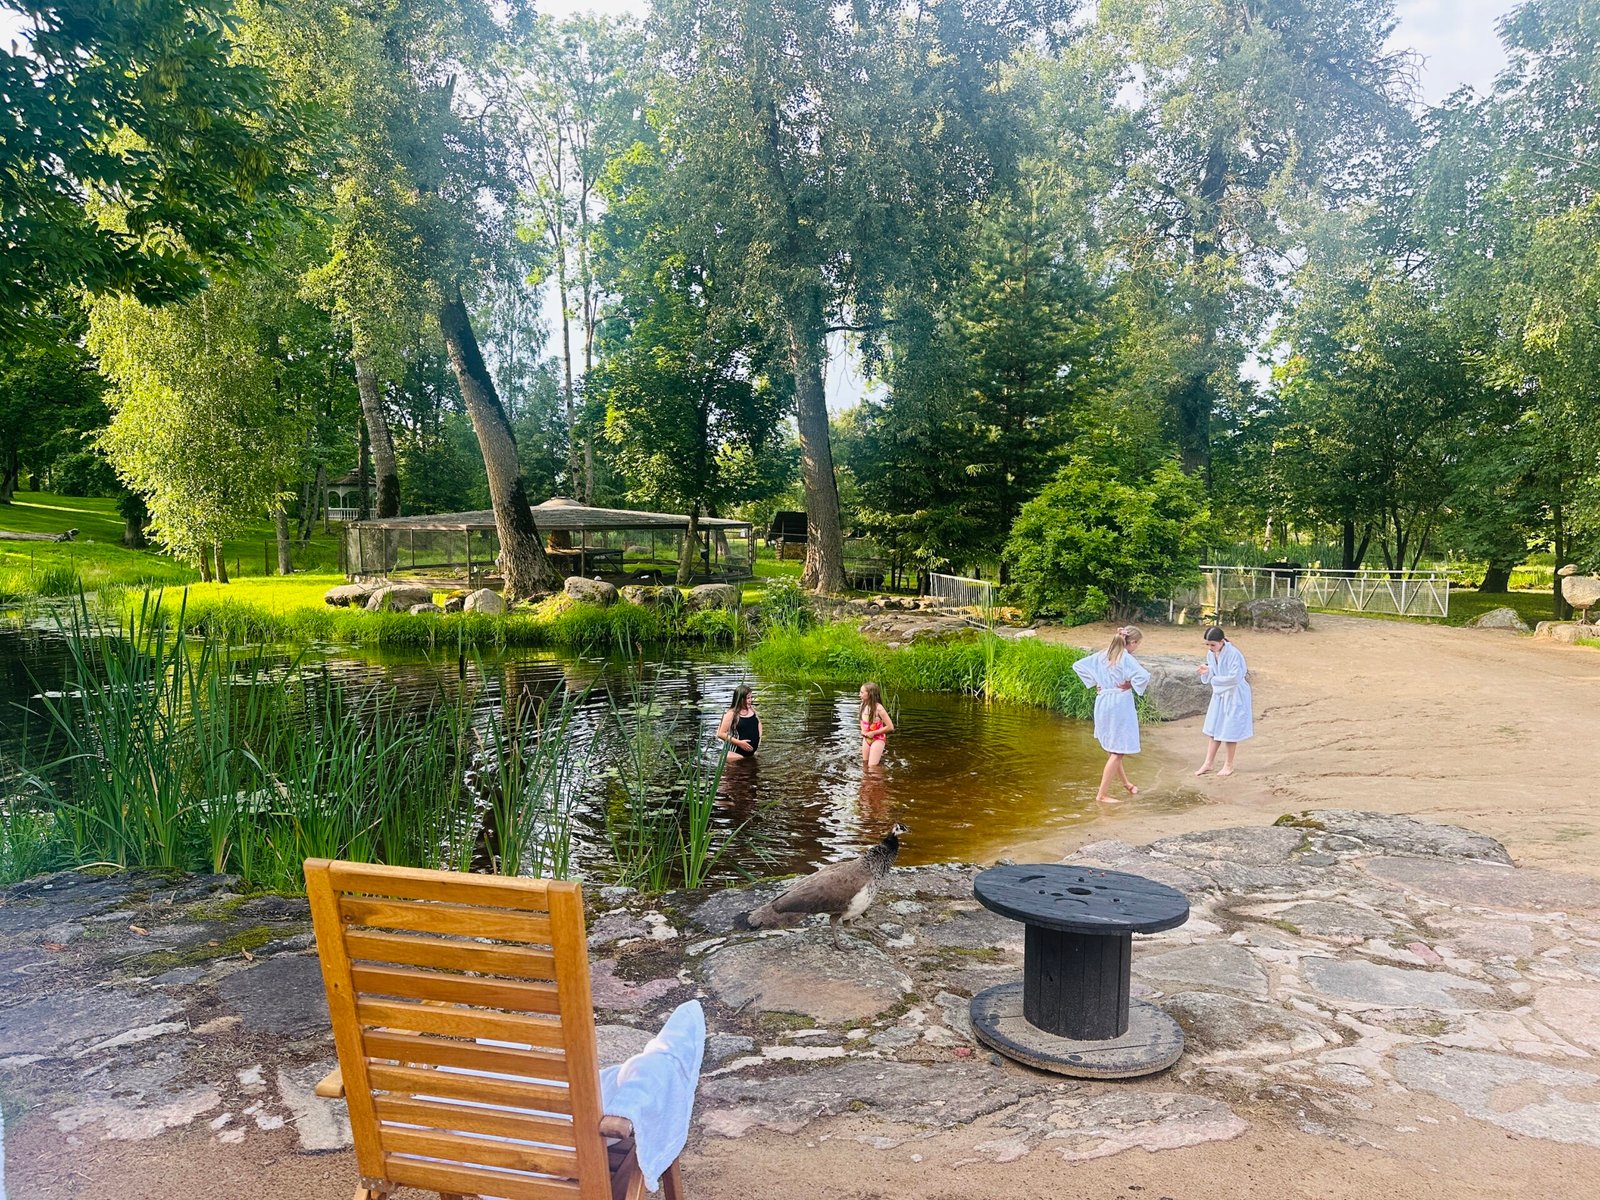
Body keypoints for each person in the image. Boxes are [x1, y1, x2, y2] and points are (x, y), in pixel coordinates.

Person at [1073, 625, 1151, 803]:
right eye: (1137, 644)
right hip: (1119, 703)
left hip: (1102, 701)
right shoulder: (1125, 657)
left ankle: (1126, 784)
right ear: (1132, 642)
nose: (1136, 647)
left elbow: (1078, 666)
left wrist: (1096, 682)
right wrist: (1130, 684)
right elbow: (1143, 676)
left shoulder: (1103, 654)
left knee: (1113, 748)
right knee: (1117, 751)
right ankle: (1102, 795)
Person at [1196, 626, 1253, 776]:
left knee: (1230, 730)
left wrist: (1214, 680)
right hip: (1220, 694)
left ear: (1222, 641)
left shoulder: (1234, 654)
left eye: (1213, 644)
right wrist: (1207, 671)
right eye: (1207, 644)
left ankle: (1229, 764)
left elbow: (1235, 677)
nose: (1210, 647)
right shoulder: (1211, 653)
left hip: (1235, 694)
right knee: (1214, 728)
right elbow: (1214, 671)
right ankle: (1208, 763)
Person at [716, 684, 762, 759]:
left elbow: (758, 723)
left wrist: (759, 738)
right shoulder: (731, 714)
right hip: (735, 755)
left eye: (751, 697)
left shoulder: (751, 709)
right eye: (748, 698)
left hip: (751, 755)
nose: (750, 700)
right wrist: (739, 743)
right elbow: (720, 733)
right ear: (740, 699)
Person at [858, 681, 894, 768]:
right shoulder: (862, 705)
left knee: (872, 767)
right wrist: (862, 730)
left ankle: (880, 776)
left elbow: (890, 727)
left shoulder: (879, 708)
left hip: (878, 739)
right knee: (865, 764)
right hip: (866, 738)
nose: (859, 695)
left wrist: (873, 733)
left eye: (862, 692)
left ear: (870, 694)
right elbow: (861, 720)